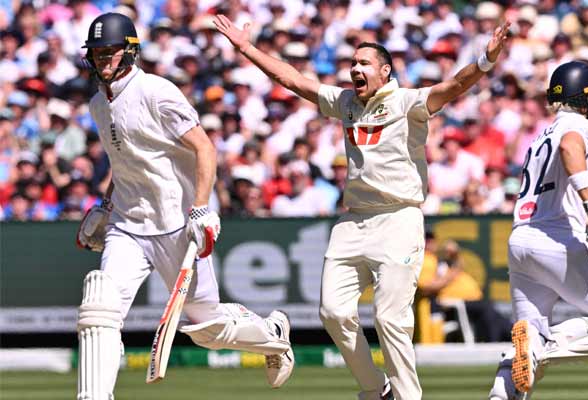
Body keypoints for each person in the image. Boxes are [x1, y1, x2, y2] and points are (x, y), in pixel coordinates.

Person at [214, 13, 509, 400]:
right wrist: (246, 48)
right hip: (353, 223)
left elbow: (454, 85)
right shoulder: (346, 102)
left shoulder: (406, 101)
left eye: (364, 63)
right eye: (352, 63)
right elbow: (292, 79)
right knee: (333, 313)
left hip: (399, 219)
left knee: (390, 318)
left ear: (385, 71)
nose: (355, 69)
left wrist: (485, 60)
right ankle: (376, 389)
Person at [74, 13, 294, 399]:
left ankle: (273, 335)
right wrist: (106, 205)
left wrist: (200, 208)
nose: (103, 61)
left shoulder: (156, 92)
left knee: (208, 330)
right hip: (127, 225)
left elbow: (204, 148)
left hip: (176, 223)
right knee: (100, 310)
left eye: (110, 53)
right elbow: (125, 160)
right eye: (97, 54)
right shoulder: (98, 104)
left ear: (129, 53)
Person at [488, 61, 588, 400]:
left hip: (521, 240)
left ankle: (505, 389)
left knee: (528, 342)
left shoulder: (540, 133)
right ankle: (542, 348)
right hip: (556, 238)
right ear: (583, 98)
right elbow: (570, 147)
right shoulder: (577, 126)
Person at [418, 239, 510, 343]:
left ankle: (511, 336)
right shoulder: (425, 261)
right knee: (488, 308)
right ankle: (497, 342)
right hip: (453, 304)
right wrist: (451, 275)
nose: (430, 242)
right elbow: (426, 288)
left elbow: (458, 265)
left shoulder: (439, 260)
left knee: (494, 313)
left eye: (432, 238)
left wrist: (455, 254)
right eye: (427, 239)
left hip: (470, 300)